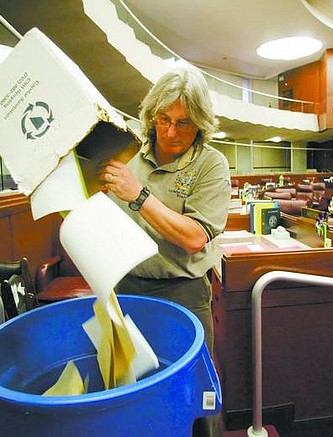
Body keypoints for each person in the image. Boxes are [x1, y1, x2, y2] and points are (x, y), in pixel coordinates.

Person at [98, 66, 231, 356]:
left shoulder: (211, 164)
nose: (171, 132)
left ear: (199, 124)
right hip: (125, 285)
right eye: (164, 119)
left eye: (184, 123)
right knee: (130, 377)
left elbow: (195, 238)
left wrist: (139, 195)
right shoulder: (127, 153)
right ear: (152, 116)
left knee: (186, 381)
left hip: (182, 292)